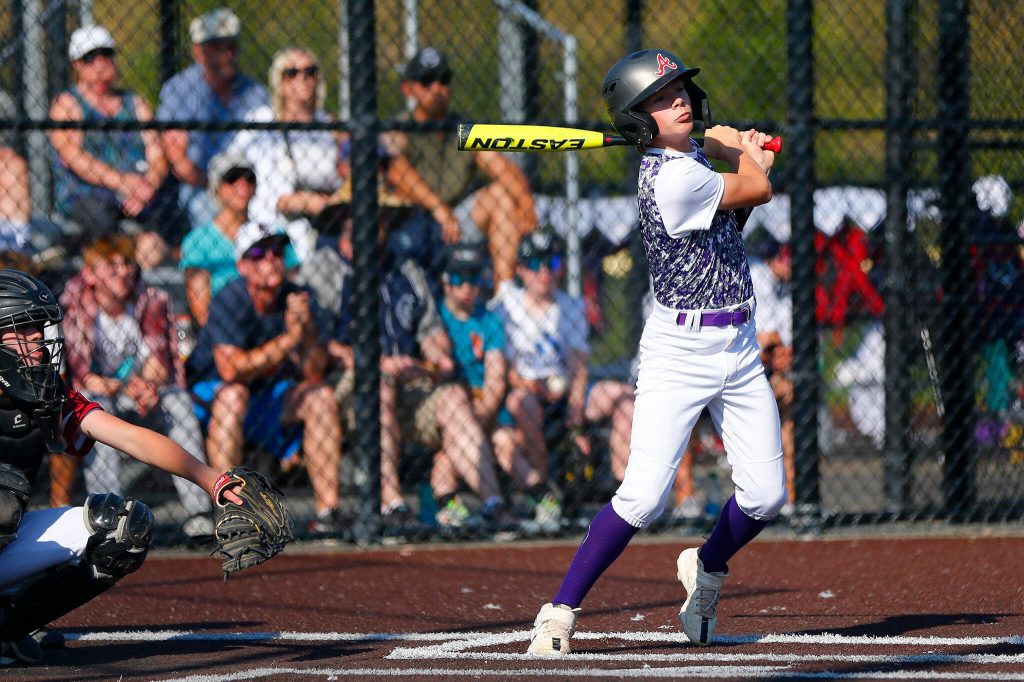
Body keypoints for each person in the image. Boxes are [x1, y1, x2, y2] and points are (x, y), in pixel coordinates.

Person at [526, 49, 785, 655]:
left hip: (739, 345)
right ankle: (559, 611)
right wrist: (741, 149)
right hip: (680, 349)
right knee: (643, 496)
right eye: (664, 98)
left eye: (683, 93)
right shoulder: (673, 177)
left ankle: (707, 565)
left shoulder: (689, 159)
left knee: (766, 496)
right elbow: (759, 188)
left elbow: (742, 180)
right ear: (638, 120)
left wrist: (727, 146)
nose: (682, 102)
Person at [0, 269, 246, 666]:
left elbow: (131, 437)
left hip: (5, 544)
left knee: (120, 526)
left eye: (38, 330)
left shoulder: (45, 394)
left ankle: (7, 629)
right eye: (22, 331)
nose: (39, 344)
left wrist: (212, 480)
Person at [300, 208, 509, 532]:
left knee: (453, 396)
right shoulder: (324, 269)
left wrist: (436, 359)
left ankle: (494, 505)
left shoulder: (406, 270)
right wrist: (377, 364)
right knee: (380, 385)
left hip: (409, 384)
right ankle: (392, 504)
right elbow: (318, 346)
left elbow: (431, 334)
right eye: (370, 216)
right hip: (348, 383)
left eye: (383, 218)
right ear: (346, 221)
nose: (376, 223)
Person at [186, 223, 343, 534]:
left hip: (268, 397)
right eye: (259, 253)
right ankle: (230, 511)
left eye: (277, 252)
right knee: (234, 395)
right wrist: (289, 339)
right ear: (243, 266)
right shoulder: (230, 297)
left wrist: (306, 330)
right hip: (213, 397)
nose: (271, 259)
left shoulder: (296, 296)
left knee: (321, 395)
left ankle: (329, 514)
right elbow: (231, 370)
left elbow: (313, 371)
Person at [59, 234, 214, 540]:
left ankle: (199, 513)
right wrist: (125, 386)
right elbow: (82, 376)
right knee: (94, 406)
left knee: (177, 400)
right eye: (111, 266)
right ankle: (109, 515)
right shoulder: (74, 301)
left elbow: (160, 363)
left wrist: (148, 386)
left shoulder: (151, 298)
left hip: (140, 391)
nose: (124, 271)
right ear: (90, 273)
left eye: (127, 263)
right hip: (101, 392)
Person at [491, 229, 635, 513]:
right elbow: (505, 371)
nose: (543, 272)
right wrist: (534, 386)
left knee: (624, 396)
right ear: (520, 269)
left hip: (566, 390)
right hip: (527, 390)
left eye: (551, 263)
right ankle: (547, 496)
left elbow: (577, 363)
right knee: (522, 402)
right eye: (534, 264)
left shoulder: (570, 305)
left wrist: (575, 406)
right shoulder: (507, 306)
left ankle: (624, 496)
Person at [385, 46, 538, 288]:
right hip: (415, 220)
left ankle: (505, 295)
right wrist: (438, 208)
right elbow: (395, 169)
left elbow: (500, 167)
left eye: (443, 80)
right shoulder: (400, 127)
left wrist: (527, 204)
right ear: (408, 88)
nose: (437, 89)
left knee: (501, 195)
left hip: (456, 221)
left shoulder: (463, 128)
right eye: (427, 81)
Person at [49, 25, 186, 265]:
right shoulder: (68, 104)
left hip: (140, 192)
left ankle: (144, 262)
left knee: (171, 214)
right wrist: (124, 182)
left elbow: (157, 152)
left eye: (106, 54)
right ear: (77, 65)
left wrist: (148, 185)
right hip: (89, 194)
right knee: (101, 220)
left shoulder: (135, 102)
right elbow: (76, 159)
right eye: (90, 58)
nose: (101, 63)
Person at [437, 243, 552, 528]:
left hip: (485, 408)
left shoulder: (488, 320)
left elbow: (496, 375)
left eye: (473, 279)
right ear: (445, 282)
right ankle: (455, 509)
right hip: (451, 408)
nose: (466, 286)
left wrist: (484, 412)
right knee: (448, 450)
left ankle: (545, 498)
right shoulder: (437, 316)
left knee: (504, 442)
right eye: (458, 279)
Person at [157, 7, 269, 229]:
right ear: (198, 51)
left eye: (231, 46)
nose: (227, 54)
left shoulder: (254, 91)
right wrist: (222, 187)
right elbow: (178, 160)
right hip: (204, 187)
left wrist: (244, 186)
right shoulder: (179, 90)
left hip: (254, 184)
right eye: (217, 47)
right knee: (207, 211)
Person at [179, 151, 298, 329]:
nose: (242, 184)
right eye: (232, 178)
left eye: (249, 178)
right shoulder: (198, 241)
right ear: (216, 188)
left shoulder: (273, 234)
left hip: (273, 324)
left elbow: (292, 288)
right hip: (225, 330)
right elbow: (202, 313)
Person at [748, 234, 796, 505]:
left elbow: (781, 345)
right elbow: (765, 339)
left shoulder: (785, 289)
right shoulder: (758, 274)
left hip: (769, 369)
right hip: (745, 366)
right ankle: (687, 498)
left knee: (788, 392)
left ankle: (789, 495)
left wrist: (778, 349)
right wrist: (773, 347)